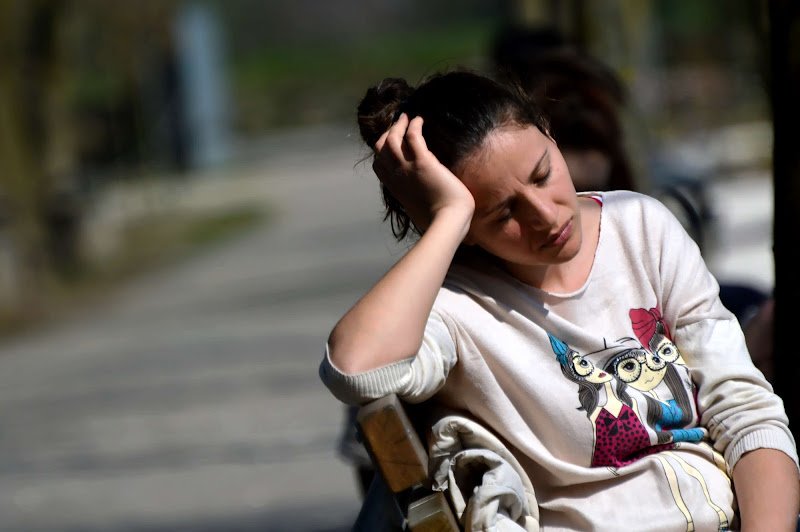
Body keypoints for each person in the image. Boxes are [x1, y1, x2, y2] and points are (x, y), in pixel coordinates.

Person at [319, 70, 799, 530]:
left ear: (548, 132)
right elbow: (355, 368)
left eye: (543, 173)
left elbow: (744, 411)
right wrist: (446, 217)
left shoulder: (641, 227)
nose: (546, 216)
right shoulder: (455, 309)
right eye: (504, 212)